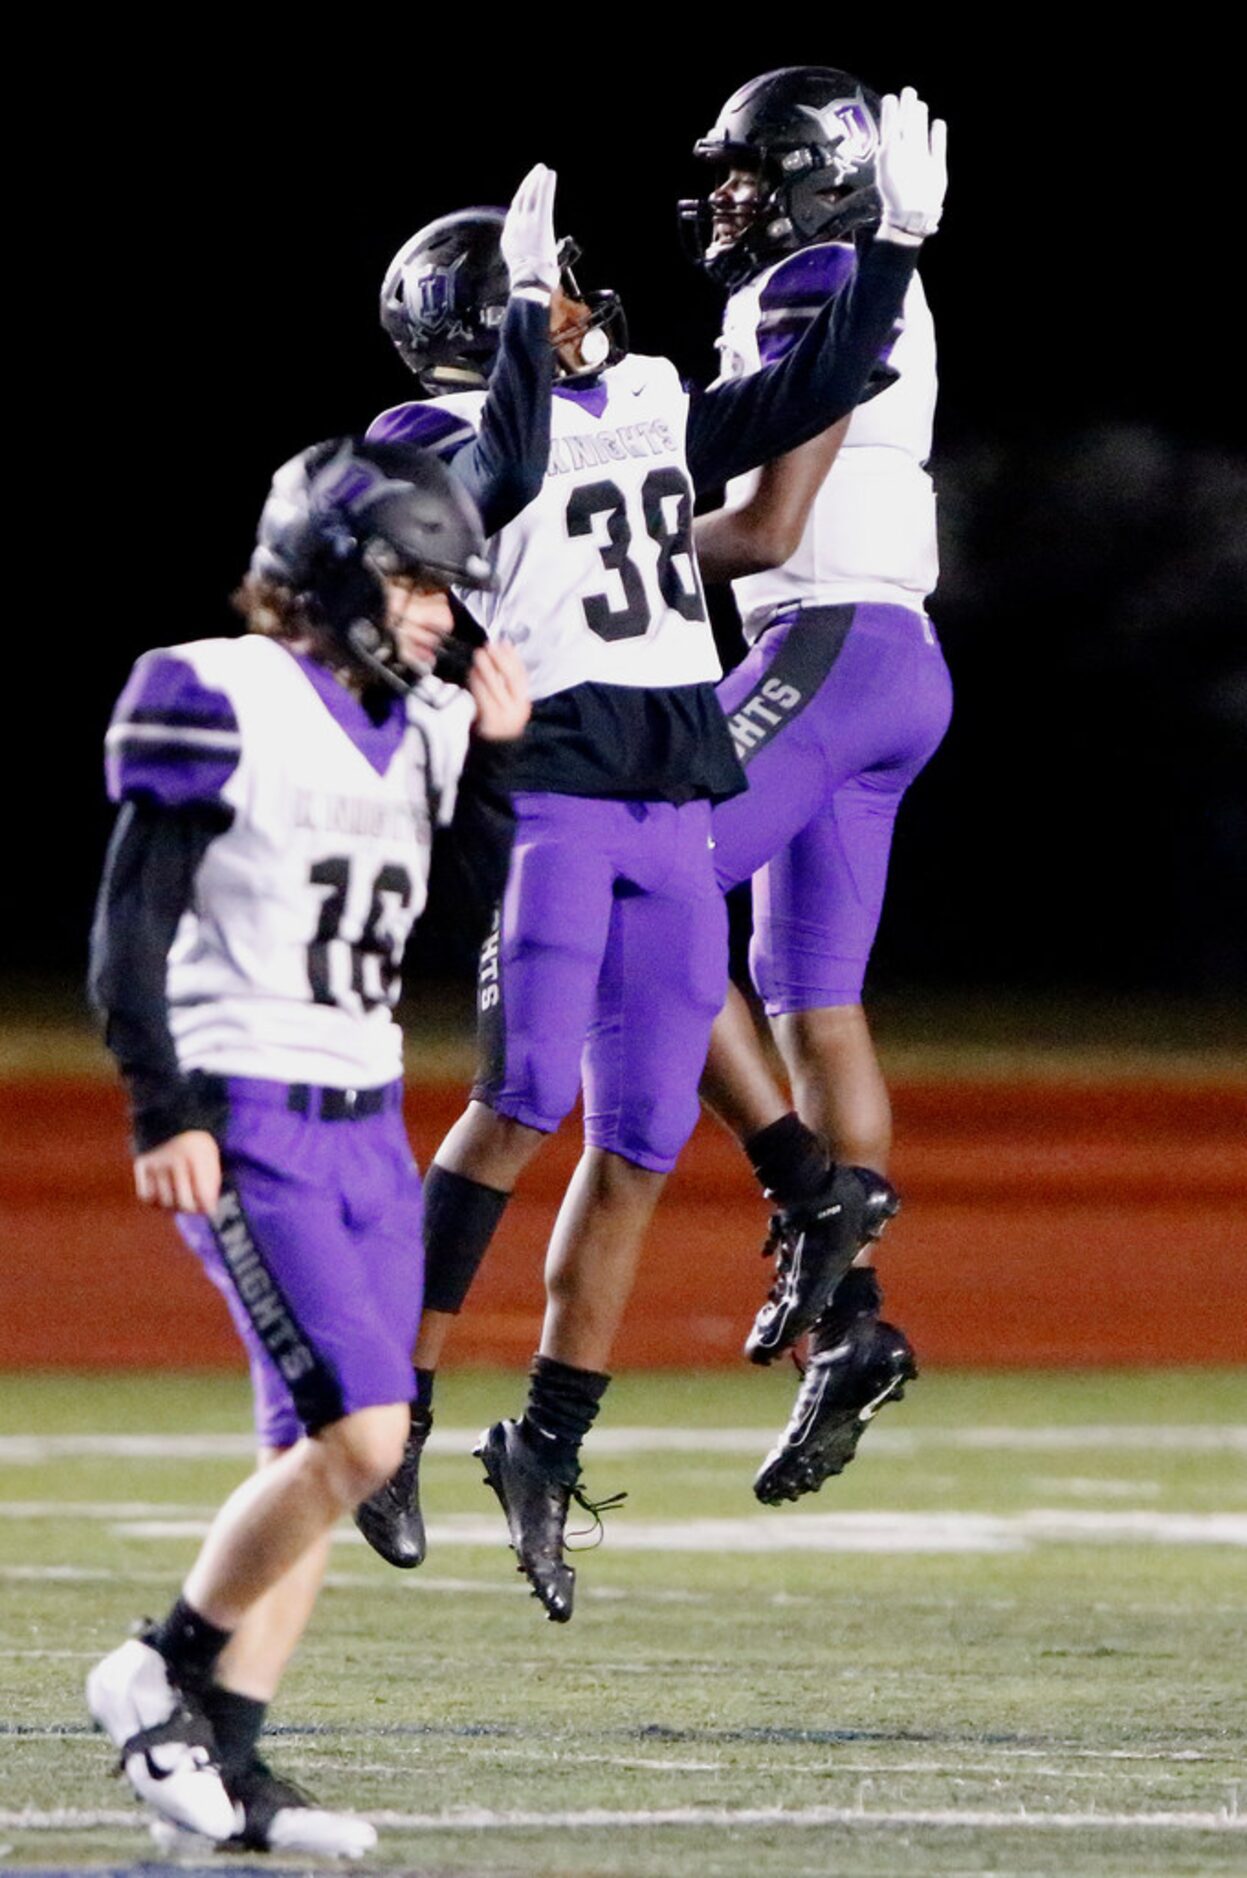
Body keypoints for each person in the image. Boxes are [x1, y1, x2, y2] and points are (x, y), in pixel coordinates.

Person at [353, 88, 947, 1623]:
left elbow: (809, 386)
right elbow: (466, 489)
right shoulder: (443, 430)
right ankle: (392, 1411)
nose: (586, 301)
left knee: (636, 1133)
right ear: (489, 326)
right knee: (524, 1098)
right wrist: (517, 379)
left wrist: (887, 252)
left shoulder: (655, 394)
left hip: (670, 772)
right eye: (545, 291)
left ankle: (548, 1437)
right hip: (557, 798)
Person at [83, 167, 552, 1848]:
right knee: (365, 1430)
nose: (440, 617)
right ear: (343, 570)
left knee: (323, 1447)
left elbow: (467, 896)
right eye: (421, 586)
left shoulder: (420, 726)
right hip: (257, 1105)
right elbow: (128, 925)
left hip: (369, 1108)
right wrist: (163, 1105)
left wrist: (494, 764)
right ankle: (161, 1670)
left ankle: (237, 1759)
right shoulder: (215, 695)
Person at [678, 73, 952, 1501]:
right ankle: (850, 1325)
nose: (730, 195)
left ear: (820, 179)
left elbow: (772, 514)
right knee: (812, 999)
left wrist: (610, 537)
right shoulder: (845, 272)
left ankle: (816, 1203)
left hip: (829, 641)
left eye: (753, 170)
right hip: (893, 655)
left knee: (640, 867)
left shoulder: (824, 274)